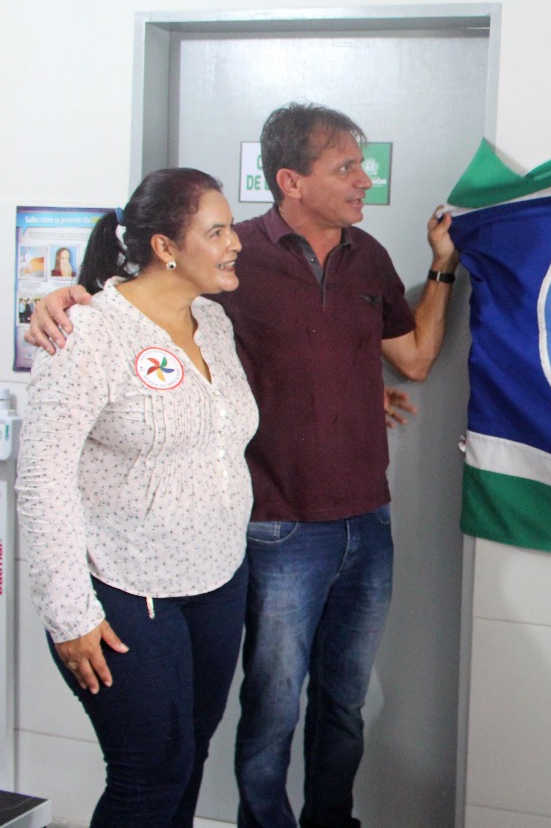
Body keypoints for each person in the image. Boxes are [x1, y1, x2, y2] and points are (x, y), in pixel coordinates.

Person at [24, 103, 461, 828]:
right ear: (291, 180)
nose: (363, 179)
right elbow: (47, 470)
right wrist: (62, 298)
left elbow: (386, 361)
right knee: (201, 745)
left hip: (278, 553)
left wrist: (362, 379)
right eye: (345, 166)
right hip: (205, 555)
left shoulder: (239, 310)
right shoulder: (183, 291)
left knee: (249, 735)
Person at [15, 168, 257, 826]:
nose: (235, 242)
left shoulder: (213, 321)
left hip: (217, 579)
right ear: (165, 247)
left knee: (188, 757)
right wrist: (70, 615)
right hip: (125, 585)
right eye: (217, 231)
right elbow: (41, 480)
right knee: (148, 774)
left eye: (231, 228)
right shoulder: (88, 333)